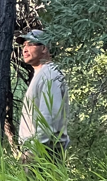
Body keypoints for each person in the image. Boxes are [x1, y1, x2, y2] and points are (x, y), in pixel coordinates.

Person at [16, 29, 70, 163]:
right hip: (36, 151)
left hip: (42, 154)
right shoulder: (42, 74)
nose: (25, 49)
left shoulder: (50, 75)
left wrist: (37, 152)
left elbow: (49, 118)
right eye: (24, 46)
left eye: (30, 44)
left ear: (44, 48)